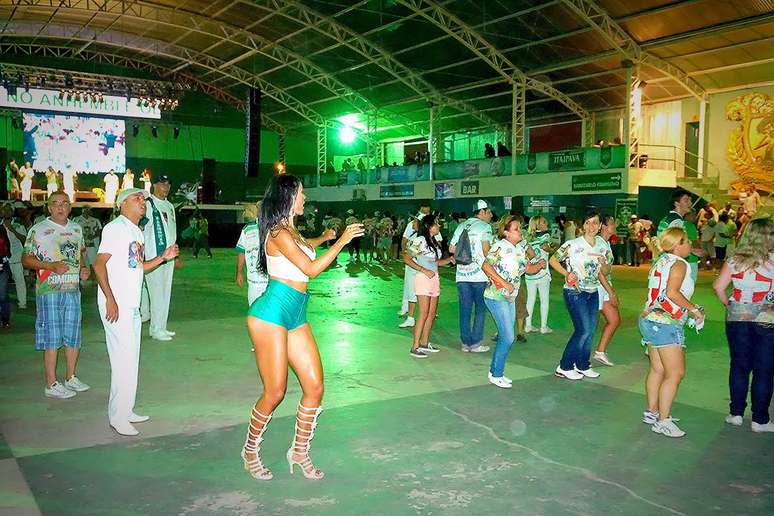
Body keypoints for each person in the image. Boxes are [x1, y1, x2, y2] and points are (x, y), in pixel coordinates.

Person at [240, 174, 363, 481]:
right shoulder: (279, 232)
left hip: (296, 314)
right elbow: (310, 269)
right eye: (302, 194)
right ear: (288, 197)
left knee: (315, 387)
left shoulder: (292, 231)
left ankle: (299, 451)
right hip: (270, 315)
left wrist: (324, 238)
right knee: (275, 391)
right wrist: (342, 241)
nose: (305, 198)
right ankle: (250, 450)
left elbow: (307, 249)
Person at [93, 188, 179, 436]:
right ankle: (117, 416)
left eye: (143, 198)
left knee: (131, 358)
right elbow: (99, 265)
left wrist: (163, 257)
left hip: (131, 304)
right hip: (117, 304)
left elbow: (139, 267)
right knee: (122, 360)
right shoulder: (116, 228)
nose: (142, 202)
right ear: (122, 204)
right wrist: (110, 299)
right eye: (136, 198)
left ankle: (126, 409)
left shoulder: (136, 231)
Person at [22, 192, 91, 399]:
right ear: (49, 208)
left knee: (73, 336)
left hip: (72, 290)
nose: (60, 207)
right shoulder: (39, 229)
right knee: (52, 338)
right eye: (56, 204)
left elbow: (80, 254)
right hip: (49, 291)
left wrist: (83, 269)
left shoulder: (76, 228)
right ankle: (51, 384)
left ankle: (71, 377)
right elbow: (26, 259)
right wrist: (49, 265)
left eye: (64, 204)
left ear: (70, 207)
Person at [639, 227, 704, 438]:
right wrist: (694, 310)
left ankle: (653, 411)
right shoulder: (678, 264)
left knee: (657, 369)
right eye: (687, 242)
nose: (691, 245)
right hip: (666, 323)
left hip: (649, 319)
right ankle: (663, 421)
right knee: (675, 373)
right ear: (677, 245)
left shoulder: (661, 260)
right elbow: (672, 293)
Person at [713, 218, 774, 433]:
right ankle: (760, 420)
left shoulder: (734, 260)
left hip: (737, 317)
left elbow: (719, 287)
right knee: (764, 370)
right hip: (766, 320)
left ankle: (736, 414)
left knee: (739, 366)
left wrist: (730, 305)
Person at [482, 215, 545, 388]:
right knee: (509, 337)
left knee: (506, 336)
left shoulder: (519, 249)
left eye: (520, 228)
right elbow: (486, 266)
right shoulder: (500, 246)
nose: (520, 231)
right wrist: (504, 283)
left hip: (510, 297)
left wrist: (538, 265)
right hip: (496, 296)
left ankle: (495, 370)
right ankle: (496, 374)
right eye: (516, 228)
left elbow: (527, 270)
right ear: (506, 232)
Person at [549, 210, 613, 380]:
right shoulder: (573, 244)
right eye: (588, 222)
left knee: (590, 331)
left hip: (593, 292)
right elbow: (553, 260)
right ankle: (564, 366)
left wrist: (604, 264)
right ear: (582, 225)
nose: (591, 226)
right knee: (583, 330)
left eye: (595, 223)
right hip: (575, 292)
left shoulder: (602, 245)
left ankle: (582, 364)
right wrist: (566, 274)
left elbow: (606, 270)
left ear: (600, 226)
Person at [403, 215, 455, 358]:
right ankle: (415, 346)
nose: (439, 226)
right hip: (423, 279)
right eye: (436, 224)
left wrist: (449, 260)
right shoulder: (419, 241)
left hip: (434, 279)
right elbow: (407, 258)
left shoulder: (434, 242)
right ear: (428, 226)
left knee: (432, 313)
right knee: (423, 313)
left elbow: (435, 262)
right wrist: (423, 270)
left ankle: (425, 343)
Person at [449, 200, 494, 353]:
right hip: (480, 275)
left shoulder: (462, 226)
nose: (491, 215)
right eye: (489, 212)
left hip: (462, 275)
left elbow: (451, 248)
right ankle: (475, 343)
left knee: (465, 309)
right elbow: (487, 251)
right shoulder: (485, 227)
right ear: (482, 212)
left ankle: (465, 342)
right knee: (480, 309)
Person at [140, 175, 180, 340]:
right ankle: (156, 329)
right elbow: (140, 229)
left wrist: (176, 255)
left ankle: (161, 326)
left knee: (165, 292)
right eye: (162, 184)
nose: (166, 187)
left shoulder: (169, 206)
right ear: (154, 185)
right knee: (156, 292)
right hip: (154, 256)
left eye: (168, 184)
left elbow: (172, 230)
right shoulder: (148, 205)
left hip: (169, 255)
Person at [657, 188, 703, 282]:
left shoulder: (669, 218)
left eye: (690, 200)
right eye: (686, 200)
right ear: (676, 203)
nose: (690, 203)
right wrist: (692, 250)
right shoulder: (676, 221)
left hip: (664, 262)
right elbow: (673, 244)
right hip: (671, 264)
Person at [593, 215, 620, 367]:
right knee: (591, 325)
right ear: (603, 226)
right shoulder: (599, 244)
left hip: (604, 287)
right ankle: (581, 358)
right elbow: (599, 272)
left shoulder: (606, 244)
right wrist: (611, 292)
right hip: (597, 289)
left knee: (613, 320)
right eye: (611, 223)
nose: (614, 226)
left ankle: (600, 352)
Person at [399, 205, 431, 328]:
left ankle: (413, 317)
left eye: (416, 221)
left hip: (418, 270)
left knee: (416, 293)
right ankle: (412, 317)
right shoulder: (418, 236)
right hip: (417, 269)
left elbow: (409, 257)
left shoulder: (420, 239)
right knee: (413, 292)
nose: (413, 223)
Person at [236, 202, 269, 306]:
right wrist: (239, 272)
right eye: (260, 209)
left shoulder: (275, 229)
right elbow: (241, 251)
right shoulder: (247, 229)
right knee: (254, 313)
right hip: (254, 282)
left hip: (272, 282)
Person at [525, 215, 552, 334]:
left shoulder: (527, 238)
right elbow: (546, 248)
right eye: (544, 222)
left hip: (529, 273)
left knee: (530, 300)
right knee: (544, 300)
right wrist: (551, 249)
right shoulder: (546, 235)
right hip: (542, 272)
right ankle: (543, 326)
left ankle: (528, 325)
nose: (547, 223)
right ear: (538, 225)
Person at [1, 204, 28, 309]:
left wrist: (12, 229)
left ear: (12, 212)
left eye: (9, 210)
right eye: (4, 210)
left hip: (16, 257)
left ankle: (22, 303)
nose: (6, 212)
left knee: (19, 280)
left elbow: (24, 239)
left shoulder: (18, 225)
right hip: (3, 258)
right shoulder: (0, 224)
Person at [72, 206, 102, 281]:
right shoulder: (76, 219)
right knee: (81, 264)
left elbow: (100, 231)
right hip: (80, 247)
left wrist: (93, 236)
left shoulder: (95, 220)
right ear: (82, 210)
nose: (86, 211)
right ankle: (82, 280)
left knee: (94, 264)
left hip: (92, 246)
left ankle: (94, 279)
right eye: (85, 209)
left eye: (88, 209)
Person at [0, 221, 11, 328]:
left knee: (2, 294)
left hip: (2, 264)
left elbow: (8, 248)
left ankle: (5, 319)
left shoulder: (1, 229)